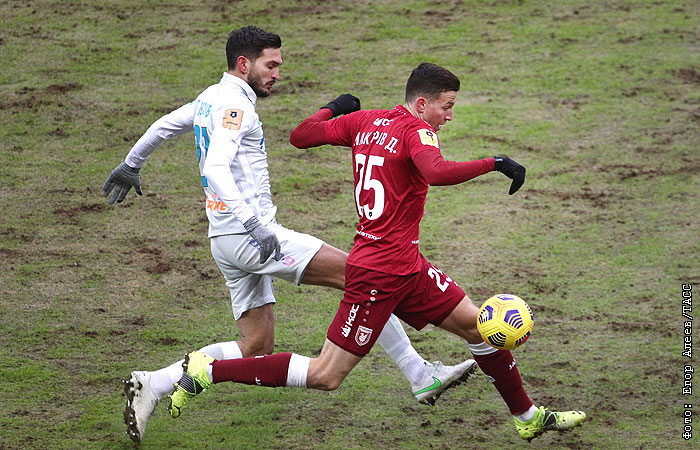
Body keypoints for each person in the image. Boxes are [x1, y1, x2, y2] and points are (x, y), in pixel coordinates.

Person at [168, 62, 587, 442]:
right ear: (421, 104)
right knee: (326, 374)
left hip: (409, 267)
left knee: (478, 328)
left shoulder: (365, 122)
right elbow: (436, 172)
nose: (449, 116)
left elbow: (301, 135)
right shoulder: (417, 131)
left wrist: (334, 108)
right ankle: (209, 371)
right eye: (446, 107)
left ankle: (527, 416)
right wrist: (495, 163)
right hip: (378, 275)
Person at [103, 28, 476, 444]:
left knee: (256, 344)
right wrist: (252, 223)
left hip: (223, 240)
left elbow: (164, 126)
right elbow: (215, 168)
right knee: (364, 275)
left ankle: (153, 383)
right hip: (251, 235)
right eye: (271, 65)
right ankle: (418, 372)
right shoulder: (235, 107)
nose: (277, 73)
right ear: (243, 64)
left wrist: (131, 164)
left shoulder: (211, 97)